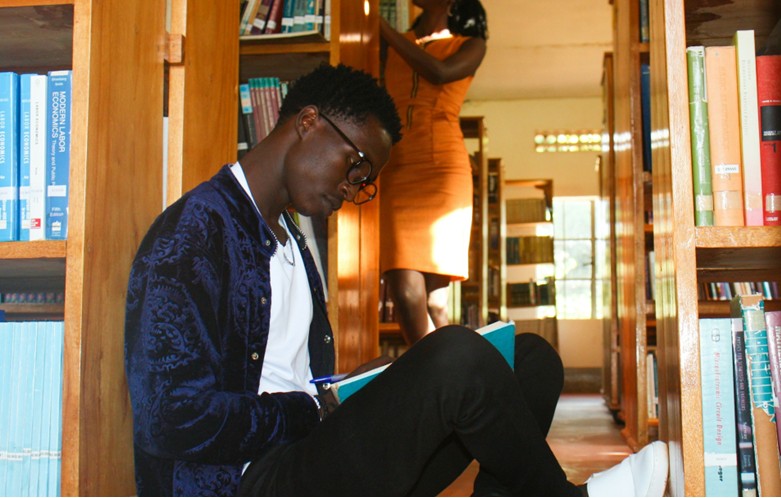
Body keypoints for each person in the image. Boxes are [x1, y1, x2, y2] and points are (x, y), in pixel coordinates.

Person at [124, 63, 669, 496]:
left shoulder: (291, 239)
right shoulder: (195, 232)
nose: (354, 189)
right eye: (355, 165)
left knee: (529, 360)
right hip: (247, 481)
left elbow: (285, 376)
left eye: (366, 181)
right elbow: (168, 419)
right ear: (308, 121)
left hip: (310, 457)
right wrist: (314, 409)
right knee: (454, 354)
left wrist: (350, 389)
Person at [379, 0, 489, 345]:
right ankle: (445, 381)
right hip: (395, 167)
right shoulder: (397, 41)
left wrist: (384, 31)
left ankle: (450, 382)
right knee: (404, 290)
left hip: (443, 168)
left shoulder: (471, 45)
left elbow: (439, 72)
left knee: (434, 300)